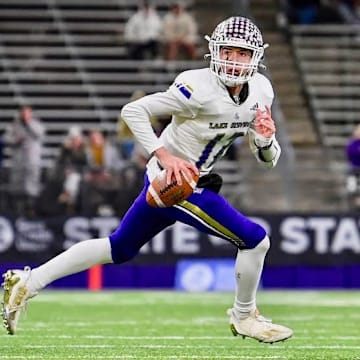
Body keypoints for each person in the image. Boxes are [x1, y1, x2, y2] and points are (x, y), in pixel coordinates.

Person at [2, 16, 293, 343]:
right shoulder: (196, 88)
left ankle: (28, 282)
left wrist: (266, 141)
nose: (233, 60)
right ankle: (244, 316)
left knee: (118, 247)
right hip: (176, 180)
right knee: (255, 240)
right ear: (214, 51)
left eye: (241, 53)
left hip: (188, 181)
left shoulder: (261, 93)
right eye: (227, 51)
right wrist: (164, 156)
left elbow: (268, 160)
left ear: (255, 57)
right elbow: (133, 111)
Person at [4, 105, 45, 215]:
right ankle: (17, 209)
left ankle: (31, 208)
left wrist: (28, 124)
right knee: (17, 184)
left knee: (32, 184)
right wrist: (16, 140)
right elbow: (6, 138)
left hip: (32, 160)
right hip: (18, 159)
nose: (25, 115)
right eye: (23, 112)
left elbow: (40, 134)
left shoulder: (36, 123)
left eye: (28, 113)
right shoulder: (14, 125)